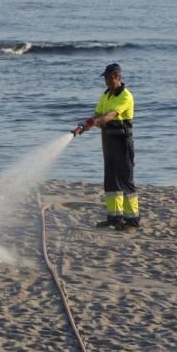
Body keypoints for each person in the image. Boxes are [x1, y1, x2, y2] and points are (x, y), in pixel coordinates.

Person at [72, 63, 139, 230]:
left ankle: (132, 221)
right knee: (110, 182)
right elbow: (97, 114)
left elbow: (109, 116)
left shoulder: (125, 96)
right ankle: (114, 219)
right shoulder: (106, 95)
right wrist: (84, 125)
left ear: (118, 77)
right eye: (105, 78)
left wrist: (96, 121)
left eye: (109, 78)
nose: (107, 81)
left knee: (125, 181)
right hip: (108, 144)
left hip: (122, 143)